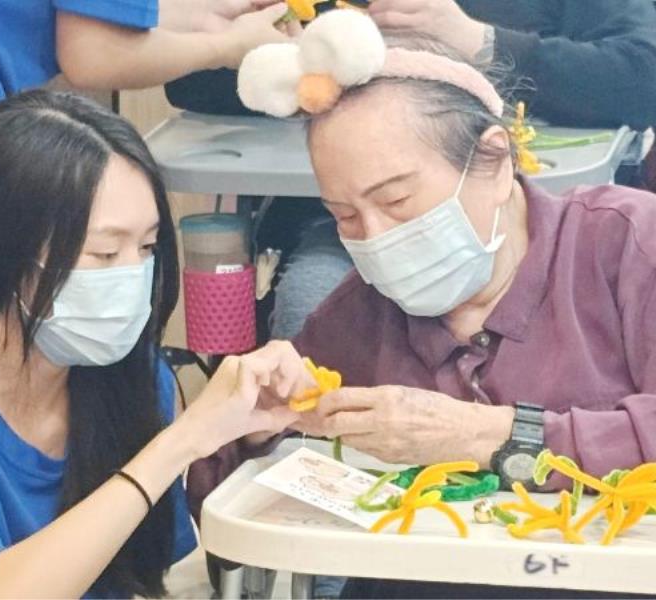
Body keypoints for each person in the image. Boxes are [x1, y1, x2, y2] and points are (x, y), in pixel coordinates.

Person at [190, 11, 656, 597]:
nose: (376, 237)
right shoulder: (358, 316)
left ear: (496, 162)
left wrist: (489, 434)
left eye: (397, 201)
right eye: (345, 216)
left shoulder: (626, 246)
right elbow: (216, 502)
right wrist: (250, 427)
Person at [0, 90, 310, 598]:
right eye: (104, 252)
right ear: (5, 252)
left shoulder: (134, 379)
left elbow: (157, 576)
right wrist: (179, 442)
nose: (133, 275)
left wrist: (249, 438)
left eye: (146, 246)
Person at [0, 0, 291, 404]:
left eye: (145, 247)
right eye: (104, 252)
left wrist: (211, 16)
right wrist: (228, 47)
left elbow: (96, 13)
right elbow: (94, 53)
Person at [258, 0, 656, 340]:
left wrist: (479, 40)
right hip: (343, 239)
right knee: (312, 309)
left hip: (527, 224)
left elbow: (643, 77)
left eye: (397, 198)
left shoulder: (629, 241)